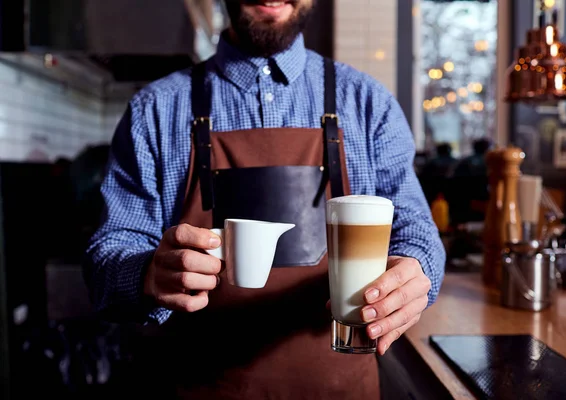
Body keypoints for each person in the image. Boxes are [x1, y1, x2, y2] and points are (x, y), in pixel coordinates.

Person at [84, 0, 446, 398]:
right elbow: (106, 260)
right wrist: (147, 274)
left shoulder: (368, 103)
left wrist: (416, 271)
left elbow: (415, 228)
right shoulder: (154, 111)